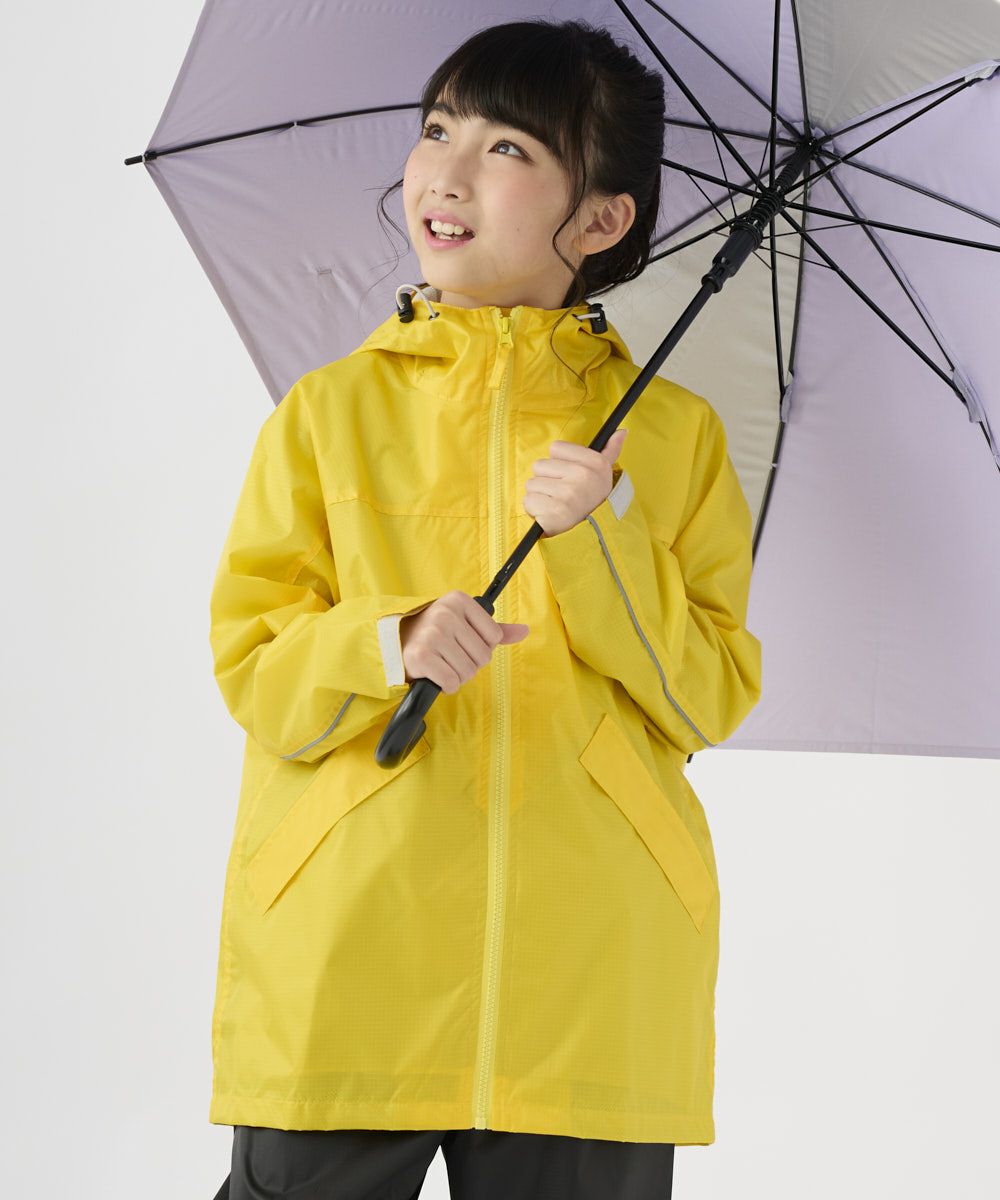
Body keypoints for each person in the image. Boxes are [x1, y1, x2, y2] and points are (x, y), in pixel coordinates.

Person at [206, 17, 762, 1200]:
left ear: (600, 221)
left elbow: (706, 698)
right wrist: (387, 642)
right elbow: (256, 672)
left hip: (591, 978)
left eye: (508, 148)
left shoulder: (673, 439)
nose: (445, 173)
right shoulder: (327, 414)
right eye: (437, 130)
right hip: (352, 952)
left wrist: (601, 537)